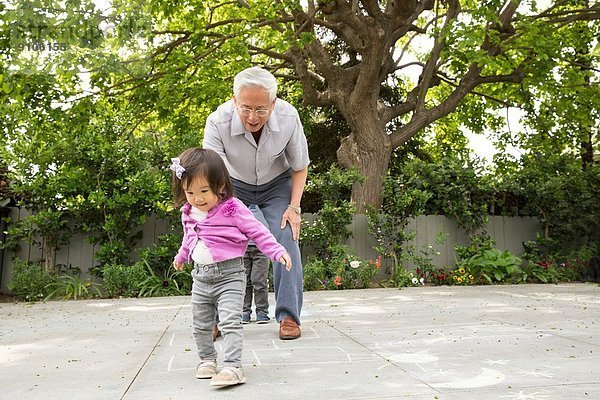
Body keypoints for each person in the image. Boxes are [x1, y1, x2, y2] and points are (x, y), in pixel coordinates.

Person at [203, 66, 309, 340]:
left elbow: (299, 167)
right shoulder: (217, 121)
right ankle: (218, 319)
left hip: (276, 184)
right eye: (246, 108)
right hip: (232, 184)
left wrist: (294, 207)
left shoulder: (288, 117)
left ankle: (288, 317)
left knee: (286, 236)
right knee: (221, 239)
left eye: (261, 109)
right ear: (235, 100)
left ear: (273, 103)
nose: (253, 116)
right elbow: (213, 174)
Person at [170, 147, 292, 387]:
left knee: (229, 321)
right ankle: (206, 360)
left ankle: (233, 366)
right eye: (190, 192)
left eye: (204, 191)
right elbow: (189, 237)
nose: (198, 198)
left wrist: (277, 251)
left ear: (220, 186)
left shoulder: (233, 208)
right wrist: (182, 256)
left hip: (230, 276)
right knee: (201, 323)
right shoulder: (188, 212)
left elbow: (258, 232)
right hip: (200, 278)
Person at [243, 205, 271, 324]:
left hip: (261, 248)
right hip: (243, 247)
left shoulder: (266, 203)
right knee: (244, 281)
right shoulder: (240, 203)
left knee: (259, 280)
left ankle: (262, 312)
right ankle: (244, 312)